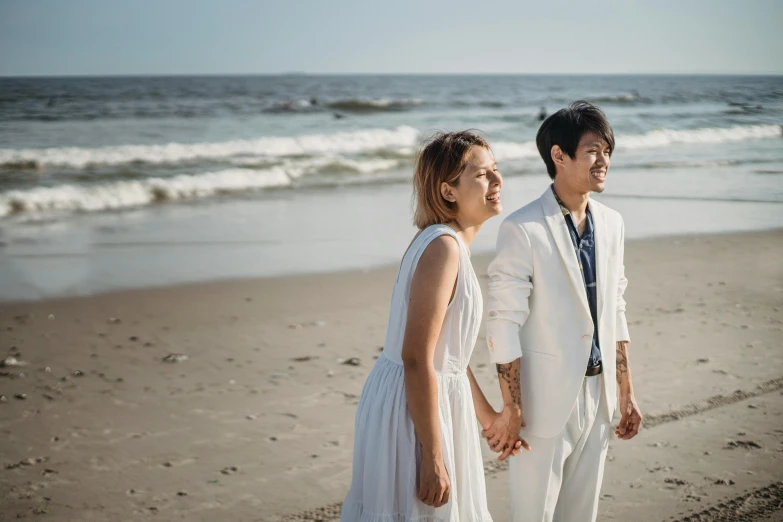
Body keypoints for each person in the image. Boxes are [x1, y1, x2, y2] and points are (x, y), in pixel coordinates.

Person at [341, 131, 525, 521]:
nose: (496, 182)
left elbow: (447, 355)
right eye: (482, 175)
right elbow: (416, 357)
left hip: (428, 397)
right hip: (414, 410)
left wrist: (488, 417)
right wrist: (433, 455)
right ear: (448, 191)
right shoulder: (442, 248)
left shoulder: (447, 243)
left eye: (496, 171)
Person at [482, 101, 643, 522]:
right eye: (592, 150)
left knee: (581, 516)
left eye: (607, 150)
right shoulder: (522, 227)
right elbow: (503, 322)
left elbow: (616, 311)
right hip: (544, 406)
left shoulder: (613, 223)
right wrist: (512, 407)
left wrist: (625, 390)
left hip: (599, 395)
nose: (604, 159)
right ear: (559, 155)